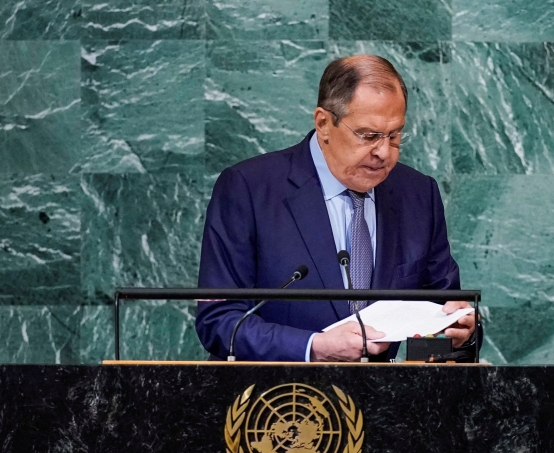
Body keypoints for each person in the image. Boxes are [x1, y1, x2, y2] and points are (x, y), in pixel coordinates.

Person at [196, 55, 476, 362]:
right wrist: (314, 346)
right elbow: (219, 321)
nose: (383, 152)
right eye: (368, 136)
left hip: (385, 403)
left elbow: (446, 311)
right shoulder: (249, 189)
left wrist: (460, 333)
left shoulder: (418, 195)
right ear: (324, 123)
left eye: (394, 136)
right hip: (279, 399)